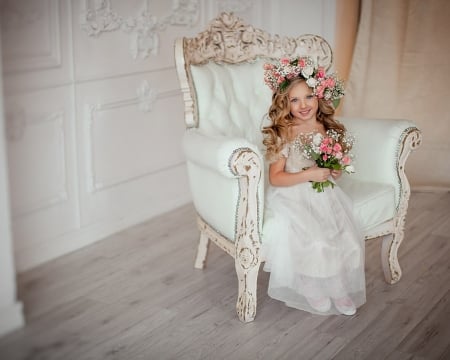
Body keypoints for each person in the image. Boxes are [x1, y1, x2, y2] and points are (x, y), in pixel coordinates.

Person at [261, 56, 366, 316]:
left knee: (344, 234)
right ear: (285, 103)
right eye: (294, 100)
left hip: (324, 191)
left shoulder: (326, 127)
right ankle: (309, 282)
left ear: (319, 97)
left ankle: (337, 285)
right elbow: (275, 177)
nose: (303, 105)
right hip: (292, 192)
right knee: (315, 237)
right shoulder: (285, 131)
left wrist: (334, 166)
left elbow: (335, 174)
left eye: (308, 97)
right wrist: (309, 174)